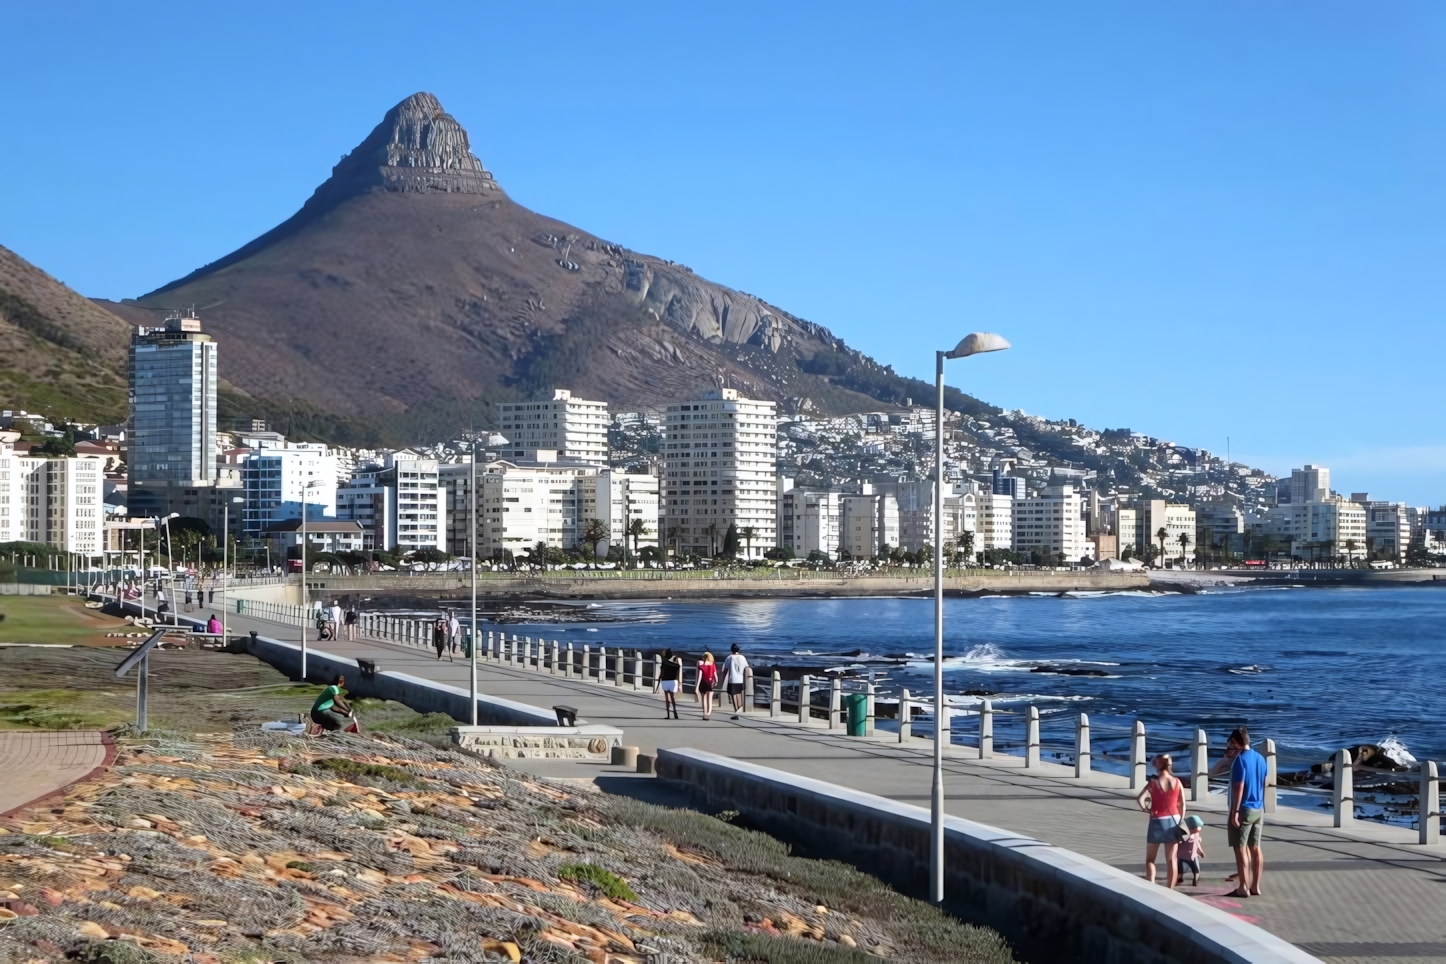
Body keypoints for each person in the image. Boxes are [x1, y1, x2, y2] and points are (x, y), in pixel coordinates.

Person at [1135, 752, 1186, 888]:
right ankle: (1170, 889)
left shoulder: (1154, 782)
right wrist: (1180, 820)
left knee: (1150, 859)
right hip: (1174, 820)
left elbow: (1140, 798)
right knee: (1171, 859)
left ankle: (1152, 887)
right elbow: (1182, 804)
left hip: (1157, 819)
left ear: (1159, 765)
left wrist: (1146, 808)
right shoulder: (1177, 782)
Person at [1227, 726, 1267, 898]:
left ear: (1236, 742)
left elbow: (1239, 787)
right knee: (1256, 848)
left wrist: (1234, 811)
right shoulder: (1260, 758)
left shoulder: (1240, 760)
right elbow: (1263, 782)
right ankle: (1255, 886)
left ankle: (1243, 887)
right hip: (1259, 808)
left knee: (1240, 848)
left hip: (1244, 808)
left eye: (1231, 742)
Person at [721, 644, 749, 720]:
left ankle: (736, 712)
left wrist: (723, 679)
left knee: (734, 696)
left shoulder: (729, 658)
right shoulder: (743, 657)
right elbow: (746, 668)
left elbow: (725, 670)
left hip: (732, 678)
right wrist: (746, 679)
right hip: (740, 679)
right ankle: (739, 711)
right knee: (739, 695)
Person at [1177, 814, 1206, 887]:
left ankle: (1195, 880)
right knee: (1180, 869)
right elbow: (1178, 842)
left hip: (1193, 856)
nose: (1199, 829)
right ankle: (1179, 878)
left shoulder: (1196, 835)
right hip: (1182, 856)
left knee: (1196, 870)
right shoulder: (1185, 835)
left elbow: (1197, 844)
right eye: (1196, 828)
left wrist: (1200, 851)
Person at [656, 648, 683, 719]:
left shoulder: (664, 662)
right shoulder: (675, 664)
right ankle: (675, 711)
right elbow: (678, 669)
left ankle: (668, 714)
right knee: (672, 697)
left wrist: (659, 679)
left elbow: (662, 672)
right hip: (673, 681)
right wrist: (679, 682)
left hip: (665, 681)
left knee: (667, 698)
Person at [695, 652, 719, 720]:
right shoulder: (713, 665)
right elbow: (716, 676)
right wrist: (716, 682)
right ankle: (708, 713)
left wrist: (697, 686)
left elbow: (699, 676)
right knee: (710, 700)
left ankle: (704, 713)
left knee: (704, 699)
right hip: (710, 683)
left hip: (703, 683)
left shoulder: (702, 666)